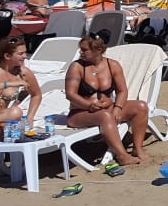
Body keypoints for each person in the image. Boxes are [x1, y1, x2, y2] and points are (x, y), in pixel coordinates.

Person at [63, 34, 150, 168]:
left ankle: (137, 148)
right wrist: (89, 105)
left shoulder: (112, 65)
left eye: (85, 50)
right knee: (105, 116)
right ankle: (122, 155)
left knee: (141, 106)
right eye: (81, 49)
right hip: (80, 113)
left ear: (98, 50)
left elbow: (122, 90)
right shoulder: (77, 67)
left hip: (107, 109)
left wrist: (117, 108)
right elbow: (70, 94)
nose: (81, 52)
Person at [0, 36, 44, 138]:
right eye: (20, 54)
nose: (25, 56)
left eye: (25, 53)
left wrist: (30, 117)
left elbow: (36, 95)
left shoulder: (24, 73)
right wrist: (9, 84)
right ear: (7, 56)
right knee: (15, 121)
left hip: (1, 116)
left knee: (16, 112)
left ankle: (3, 132)